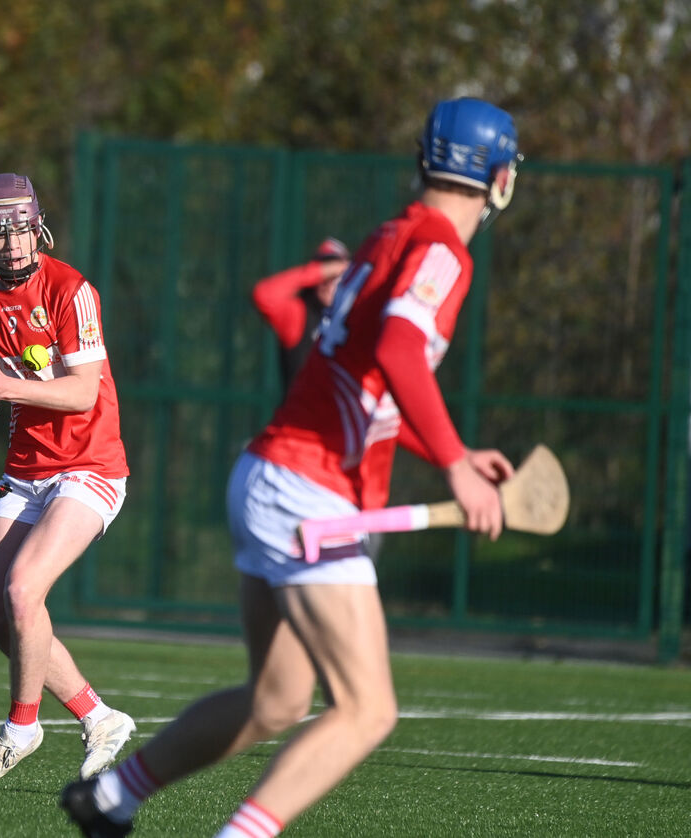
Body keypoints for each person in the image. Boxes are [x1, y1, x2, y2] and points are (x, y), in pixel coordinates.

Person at [61, 97, 523, 836]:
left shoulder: (388, 237)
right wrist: (457, 467)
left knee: (275, 700)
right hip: (311, 493)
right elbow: (402, 354)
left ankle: (112, 798)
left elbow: (359, 382)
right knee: (368, 709)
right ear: (500, 178)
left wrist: (456, 454)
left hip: (268, 475)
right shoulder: (441, 249)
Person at [0, 172, 136, 787]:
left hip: (91, 464)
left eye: (21, 227)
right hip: (26, 471)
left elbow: (82, 392)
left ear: (37, 225)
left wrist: (7, 388)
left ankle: (20, 729)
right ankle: (99, 717)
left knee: (25, 591)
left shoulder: (71, 289)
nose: (13, 241)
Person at [251, 237, 351, 393]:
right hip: (303, 415)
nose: (329, 283)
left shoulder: (352, 317)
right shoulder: (300, 314)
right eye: (325, 275)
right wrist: (319, 272)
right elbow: (264, 295)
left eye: (336, 277)